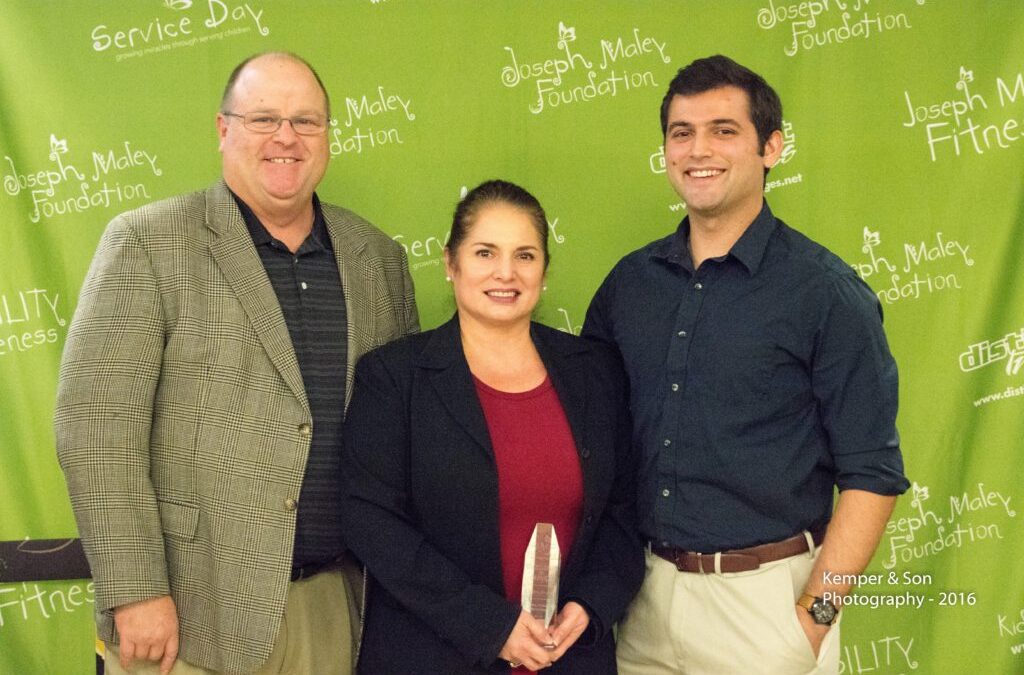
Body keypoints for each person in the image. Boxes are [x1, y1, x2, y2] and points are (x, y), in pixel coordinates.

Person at [55, 51, 419, 675]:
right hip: (187, 619)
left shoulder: (377, 259)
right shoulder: (146, 243)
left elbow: (401, 432)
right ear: (223, 130)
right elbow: (95, 427)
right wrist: (136, 589)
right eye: (264, 119)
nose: (286, 137)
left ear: (328, 136)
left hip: (336, 607)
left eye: (306, 121)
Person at [582, 55, 910, 674]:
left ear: (772, 147)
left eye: (723, 130)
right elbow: (592, 433)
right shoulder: (630, 285)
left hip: (766, 609)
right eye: (682, 132)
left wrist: (810, 623)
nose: (698, 149)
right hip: (642, 597)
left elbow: (872, 475)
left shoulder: (826, 294)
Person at [338, 180, 643, 674]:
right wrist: (486, 625)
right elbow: (370, 522)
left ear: (544, 272)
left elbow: (624, 511)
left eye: (525, 255)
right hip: (434, 654)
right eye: (485, 252)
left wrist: (591, 603)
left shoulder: (595, 371)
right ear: (450, 263)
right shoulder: (394, 377)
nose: (506, 272)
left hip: (568, 656)